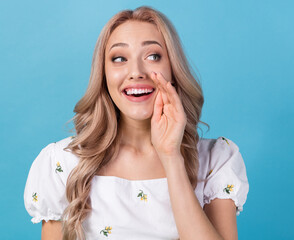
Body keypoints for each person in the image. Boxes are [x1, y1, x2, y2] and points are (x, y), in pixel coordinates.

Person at [24, 5, 249, 240]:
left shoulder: (217, 160)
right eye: (119, 58)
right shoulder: (61, 163)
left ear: (173, 69)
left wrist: (171, 156)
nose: (136, 72)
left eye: (153, 56)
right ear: (104, 75)